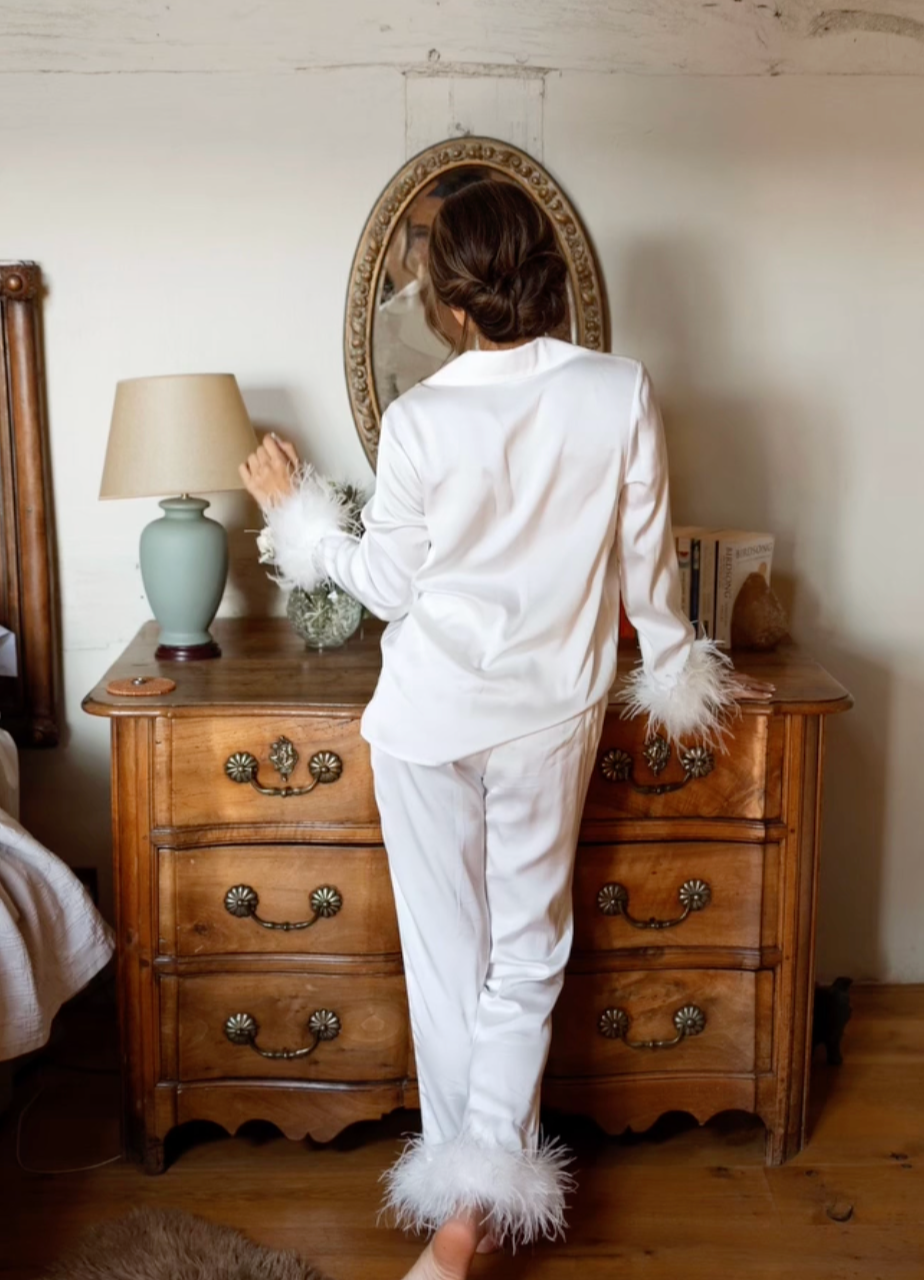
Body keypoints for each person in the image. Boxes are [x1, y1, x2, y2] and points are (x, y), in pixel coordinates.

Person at [240, 179, 772, 1280]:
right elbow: (649, 568)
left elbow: (384, 583)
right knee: (526, 958)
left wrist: (291, 511)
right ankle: (470, 1212)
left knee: (449, 966)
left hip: (427, 717)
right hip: (546, 719)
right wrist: (674, 669)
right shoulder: (618, 389)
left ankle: (460, 1212)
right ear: (545, 269)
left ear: (444, 299)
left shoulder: (424, 417)